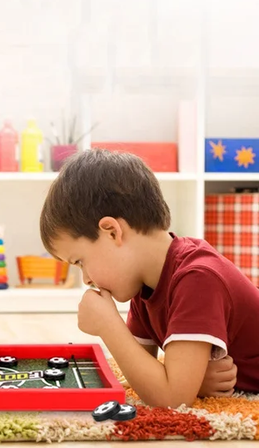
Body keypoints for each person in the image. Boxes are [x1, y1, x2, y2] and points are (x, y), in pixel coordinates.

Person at [40, 148, 259, 408]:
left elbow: (172, 400)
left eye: (80, 262)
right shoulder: (144, 283)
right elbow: (142, 370)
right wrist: (192, 380)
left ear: (112, 232)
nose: (86, 279)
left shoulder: (198, 278)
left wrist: (109, 327)